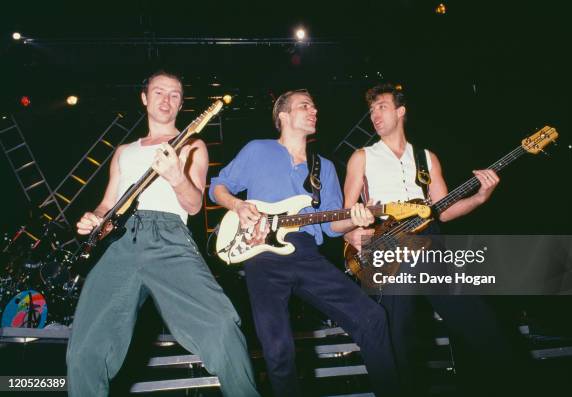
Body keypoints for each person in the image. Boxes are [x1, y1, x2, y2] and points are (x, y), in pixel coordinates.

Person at [66, 71, 259, 397]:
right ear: (144, 98)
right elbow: (107, 206)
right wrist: (94, 219)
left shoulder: (192, 144)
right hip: (122, 243)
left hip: (170, 238)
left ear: (182, 103)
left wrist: (176, 177)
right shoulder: (123, 151)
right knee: (84, 350)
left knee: (222, 327)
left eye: (174, 94)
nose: (166, 99)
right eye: (159, 92)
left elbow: (195, 204)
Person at [209, 89, 400, 397]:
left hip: (306, 253)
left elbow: (332, 225)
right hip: (263, 256)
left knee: (372, 317)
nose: (314, 110)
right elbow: (218, 185)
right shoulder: (258, 150)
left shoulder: (322, 166)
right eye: (304, 105)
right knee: (277, 346)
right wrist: (237, 205)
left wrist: (357, 217)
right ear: (283, 116)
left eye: (314, 105)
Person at [343, 83, 518, 394]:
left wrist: (480, 197)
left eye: (381, 107)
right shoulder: (362, 157)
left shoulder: (426, 158)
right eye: (370, 110)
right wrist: (355, 231)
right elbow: (346, 214)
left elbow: (444, 211)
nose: (374, 115)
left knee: (480, 321)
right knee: (398, 338)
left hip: (429, 242)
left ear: (401, 111)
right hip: (387, 244)